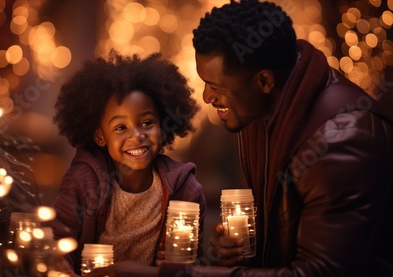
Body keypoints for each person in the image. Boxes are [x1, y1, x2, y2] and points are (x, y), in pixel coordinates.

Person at [87, 1, 393, 276]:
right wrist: (242, 253)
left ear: (263, 81)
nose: (207, 97)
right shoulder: (265, 112)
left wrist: (164, 275)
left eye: (216, 86)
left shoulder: (342, 141)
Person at [51, 51, 207, 276]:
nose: (137, 135)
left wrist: (177, 265)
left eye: (146, 123)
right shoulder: (82, 181)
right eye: (120, 127)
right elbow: (57, 243)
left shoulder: (185, 189)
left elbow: (193, 266)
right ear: (100, 136)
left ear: (163, 126)